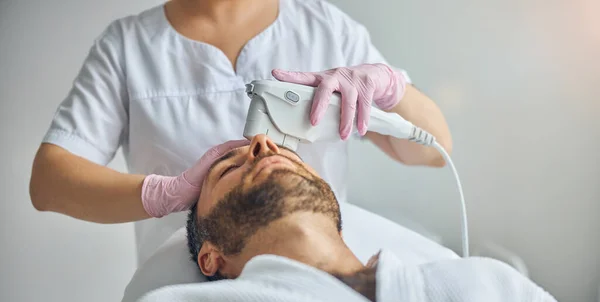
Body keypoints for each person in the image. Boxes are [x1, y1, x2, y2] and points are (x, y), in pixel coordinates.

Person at [92, 134, 600, 302]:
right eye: (227, 168)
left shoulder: (485, 286)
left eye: (285, 153)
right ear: (210, 257)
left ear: (332, 201)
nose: (262, 147)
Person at [28, 0, 453, 266]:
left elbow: (435, 151)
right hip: (190, 292)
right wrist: (164, 193)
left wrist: (391, 87)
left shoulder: (325, 28)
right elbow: (49, 182)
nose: (260, 150)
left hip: (319, 269)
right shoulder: (126, 47)